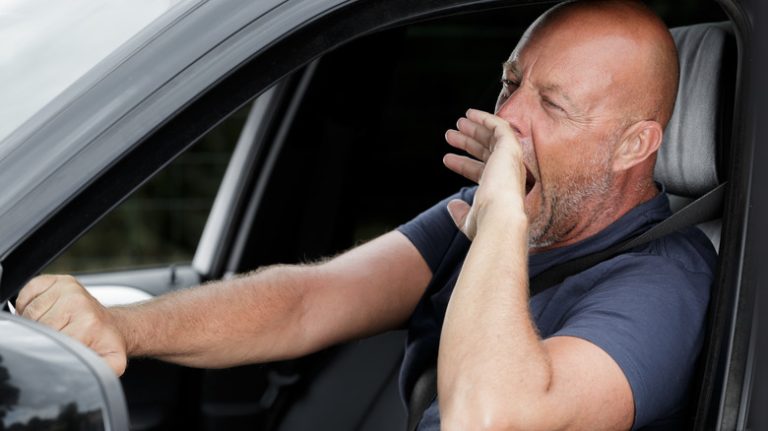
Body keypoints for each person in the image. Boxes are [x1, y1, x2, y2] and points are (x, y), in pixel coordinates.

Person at [15, 0, 716, 429]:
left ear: (634, 144)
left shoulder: (663, 286)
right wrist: (120, 327)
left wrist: (500, 220)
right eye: (509, 84)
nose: (505, 120)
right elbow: (309, 300)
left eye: (551, 105)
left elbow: (488, 416)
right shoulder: (487, 213)